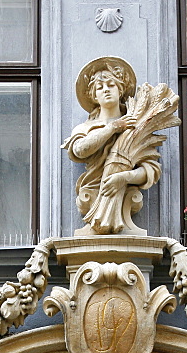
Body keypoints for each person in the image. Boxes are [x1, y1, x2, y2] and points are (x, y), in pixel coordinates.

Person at [63, 57, 162, 235]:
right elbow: (79, 150)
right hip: (95, 193)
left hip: (122, 196)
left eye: (111, 85)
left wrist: (124, 177)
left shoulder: (137, 128)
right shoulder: (86, 128)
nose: (106, 90)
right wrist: (113, 128)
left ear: (120, 89)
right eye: (99, 88)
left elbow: (151, 170)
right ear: (94, 95)